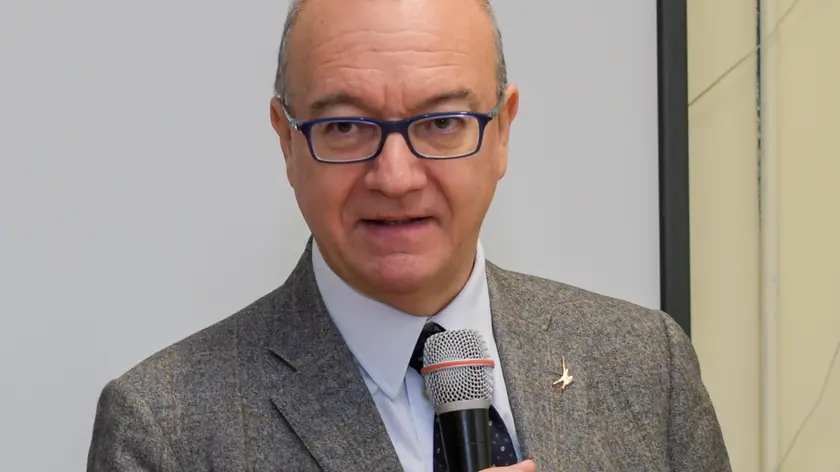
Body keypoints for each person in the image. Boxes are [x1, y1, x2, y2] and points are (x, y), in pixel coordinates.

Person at [86, 0, 731, 470]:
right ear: (286, 141)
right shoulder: (165, 428)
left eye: (442, 123)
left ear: (502, 132)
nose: (395, 177)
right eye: (345, 127)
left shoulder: (646, 366)